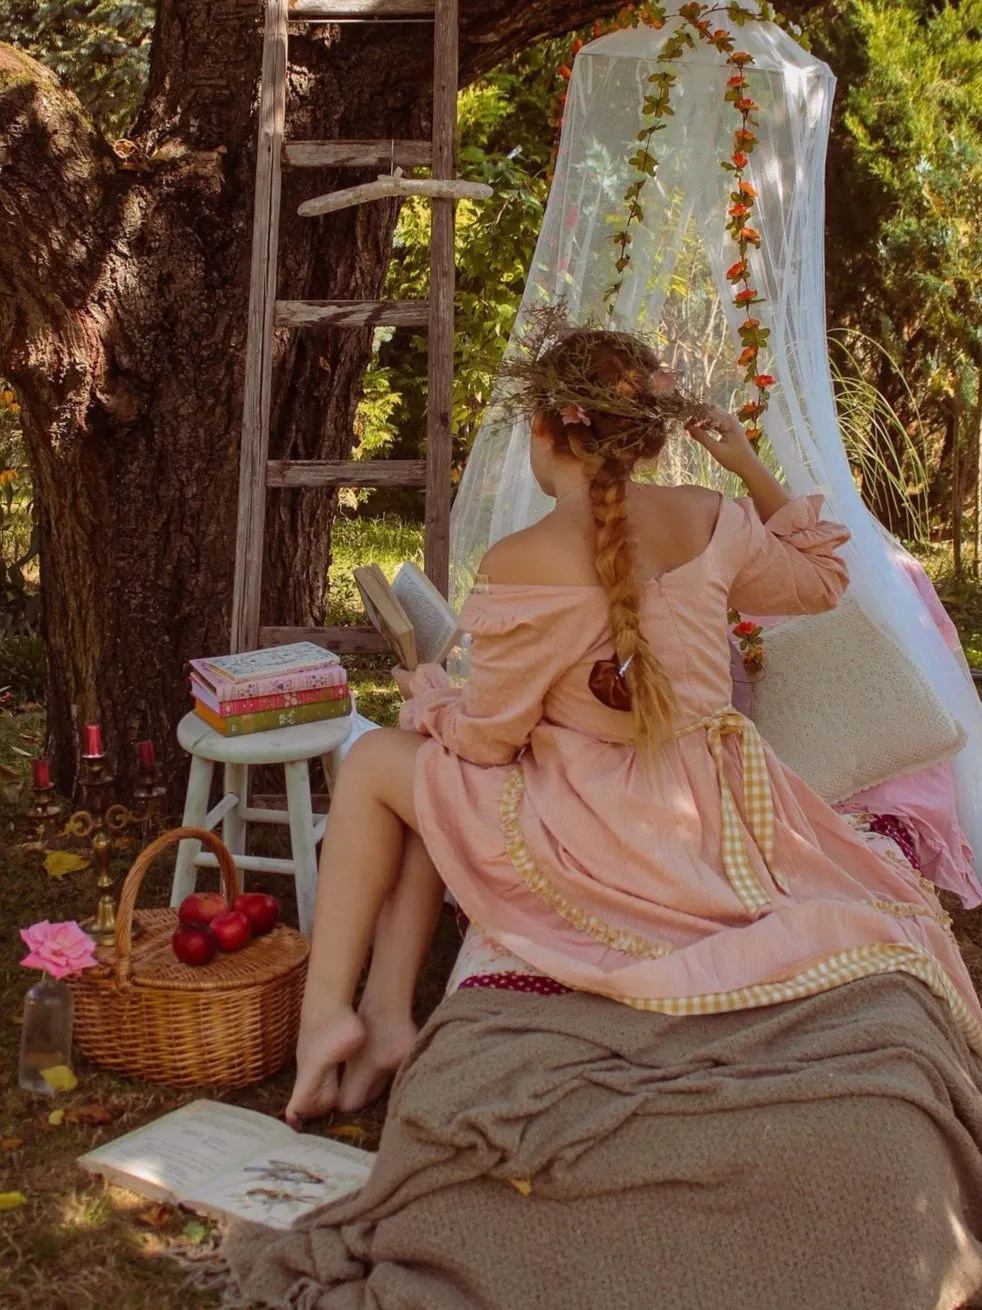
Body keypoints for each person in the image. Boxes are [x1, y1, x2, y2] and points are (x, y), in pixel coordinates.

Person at [285, 326, 982, 1129]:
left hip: (601, 820)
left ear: (548, 430)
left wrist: (431, 691)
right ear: (643, 437)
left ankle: (325, 1014)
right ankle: (384, 1021)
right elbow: (824, 580)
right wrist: (745, 464)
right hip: (713, 810)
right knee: (424, 786)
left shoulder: (524, 557)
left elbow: (486, 741)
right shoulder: (712, 517)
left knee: (379, 759)